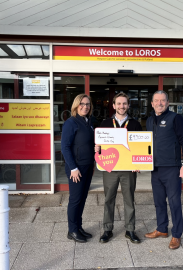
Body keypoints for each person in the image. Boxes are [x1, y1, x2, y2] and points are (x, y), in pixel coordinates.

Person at [144, 90, 183, 250]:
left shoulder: (175, 118)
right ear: (152, 103)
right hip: (155, 168)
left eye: (162, 100)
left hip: (172, 168)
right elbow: (146, 145)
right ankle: (162, 229)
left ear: (168, 103)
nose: (159, 103)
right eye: (156, 100)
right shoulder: (150, 121)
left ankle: (176, 235)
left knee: (174, 202)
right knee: (158, 202)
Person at [95, 92, 143, 244]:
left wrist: (139, 164)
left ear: (128, 105)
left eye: (124, 103)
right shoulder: (105, 124)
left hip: (129, 169)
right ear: (114, 105)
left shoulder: (135, 124)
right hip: (110, 168)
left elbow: (140, 147)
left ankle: (130, 230)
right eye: (119, 104)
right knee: (109, 199)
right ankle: (107, 230)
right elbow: (101, 147)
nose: (122, 106)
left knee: (129, 199)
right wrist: (98, 149)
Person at [61, 94, 95, 243]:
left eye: (87, 104)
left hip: (88, 166)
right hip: (76, 168)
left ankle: (78, 227)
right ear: (76, 105)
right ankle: (72, 230)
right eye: (82, 104)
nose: (85, 106)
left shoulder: (90, 122)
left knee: (82, 198)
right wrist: (73, 168)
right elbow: (65, 147)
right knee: (75, 199)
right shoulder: (71, 122)